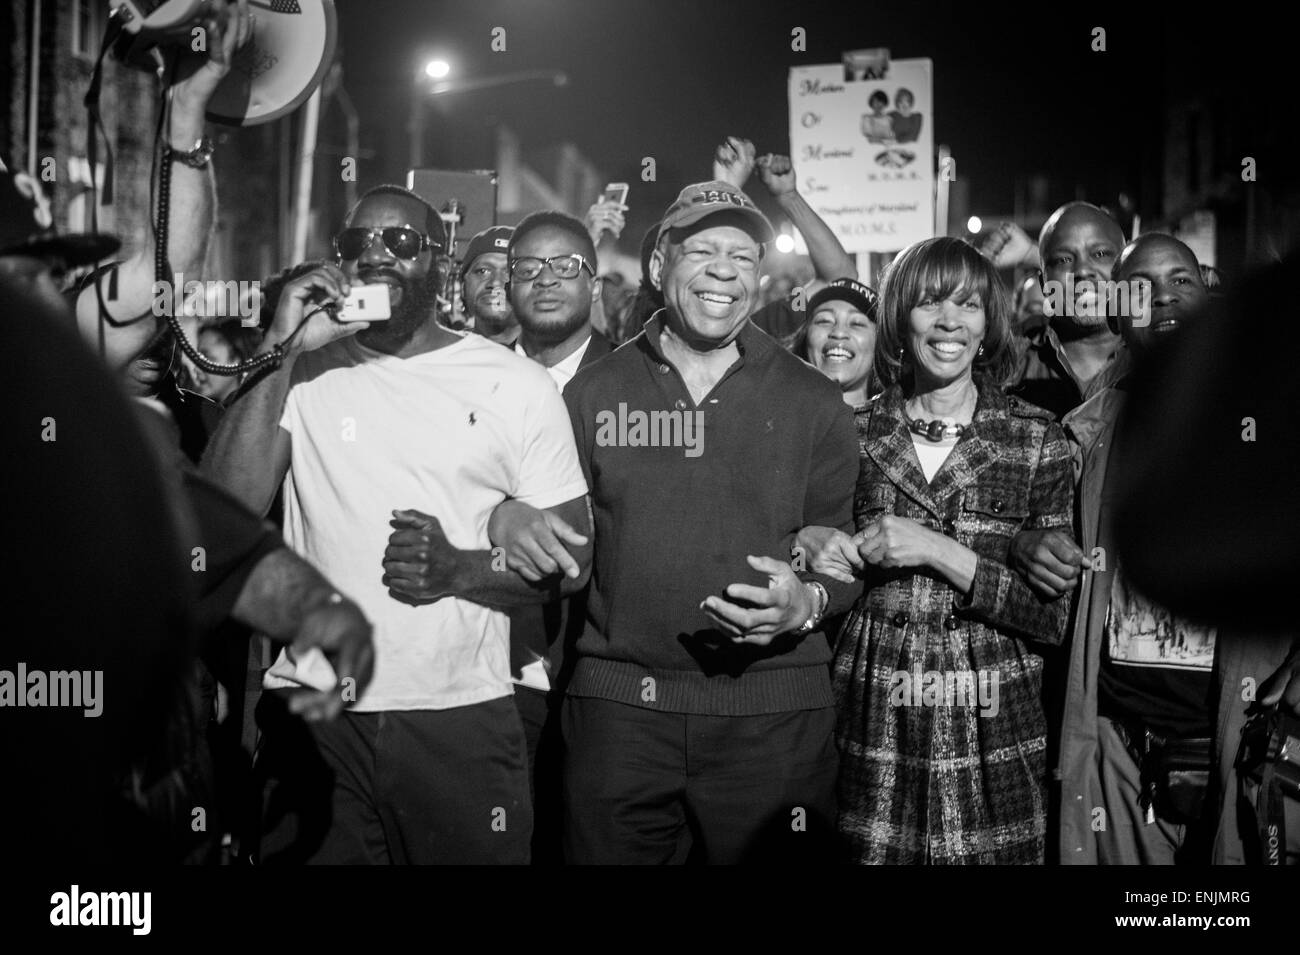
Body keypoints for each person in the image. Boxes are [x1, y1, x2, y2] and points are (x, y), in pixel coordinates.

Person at [200, 183, 592, 864]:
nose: (379, 255)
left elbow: (573, 560)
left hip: (459, 716)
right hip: (314, 711)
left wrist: (458, 570)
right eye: (360, 243)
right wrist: (282, 346)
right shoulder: (302, 373)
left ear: (439, 262)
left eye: (403, 242)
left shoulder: (511, 382)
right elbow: (222, 514)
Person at [494, 180, 861, 863]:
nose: (725, 268)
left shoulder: (816, 401)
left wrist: (807, 600)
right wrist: (509, 514)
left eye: (743, 255)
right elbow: (556, 533)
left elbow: (838, 556)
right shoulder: (592, 393)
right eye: (702, 250)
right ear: (660, 267)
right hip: (618, 719)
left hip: (774, 719)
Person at [1009, 233, 1300, 864]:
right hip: (1116, 745)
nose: (1162, 297)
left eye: (1181, 281)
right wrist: (1026, 542)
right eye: (1141, 287)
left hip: (1241, 742)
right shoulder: (1080, 436)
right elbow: (1038, 540)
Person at [798, 236, 1074, 863]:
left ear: (988, 324)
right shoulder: (852, 433)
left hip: (992, 722)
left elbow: (1056, 617)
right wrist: (810, 547)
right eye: (930, 303)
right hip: (873, 710)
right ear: (901, 318)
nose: (950, 321)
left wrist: (939, 549)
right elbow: (815, 563)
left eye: (969, 305)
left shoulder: (1036, 438)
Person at [498, 209, 613, 862]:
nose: (546, 279)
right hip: (489, 666)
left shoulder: (641, 386)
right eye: (528, 267)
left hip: (598, 673)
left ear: (594, 284)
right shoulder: (466, 378)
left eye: (566, 266)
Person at [711, 136, 858, 340]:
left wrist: (788, 196)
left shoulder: (758, 331)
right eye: (699, 253)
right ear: (657, 270)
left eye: (742, 259)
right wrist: (726, 186)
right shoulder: (651, 338)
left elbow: (840, 279)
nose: (721, 270)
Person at [1012, 202, 1126, 419]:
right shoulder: (1009, 366)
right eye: (1063, 260)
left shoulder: (1159, 359)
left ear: (1127, 266)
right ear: (1044, 284)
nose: (1083, 271)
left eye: (1100, 254)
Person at [785, 277, 880, 410]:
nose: (839, 332)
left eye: (856, 323)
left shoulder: (900, 426)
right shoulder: (771, 419)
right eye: (824, 320)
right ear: (805, 337)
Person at [461, 225, 519, 346]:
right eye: (483, 271)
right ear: (463, 287)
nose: (496, 283)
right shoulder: (441, 357)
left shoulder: (556, 360)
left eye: (509, 273)